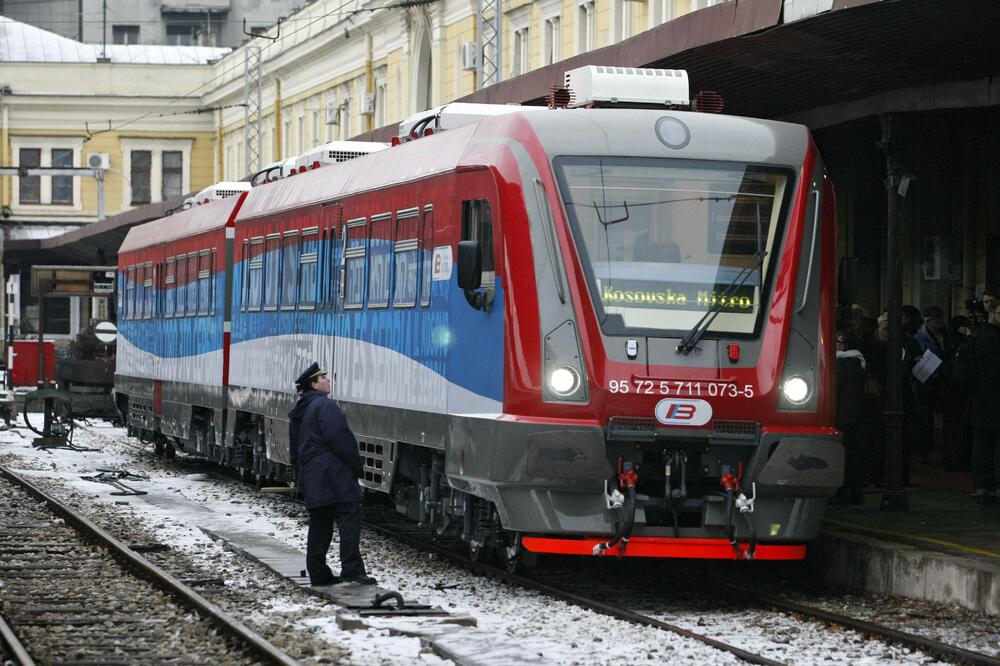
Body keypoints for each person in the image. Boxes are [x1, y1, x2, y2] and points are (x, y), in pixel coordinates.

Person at [288, 362, 376, 585]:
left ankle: (318, 573)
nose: (328, 381)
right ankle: (352, 570)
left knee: (320, 522)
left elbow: (295, 445)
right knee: (349, 516)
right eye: (323, 378)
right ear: (314, 385)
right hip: (334, 474)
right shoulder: (325, 406)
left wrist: (300, 473)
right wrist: (356, 465)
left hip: (314, 474)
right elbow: (340, 438)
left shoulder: (301, 409)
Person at [967, 300, 1000, 503]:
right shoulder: (991, 338)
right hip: (992, 397)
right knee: (990, 442)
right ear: (993, 313)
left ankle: (983, 485)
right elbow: (994, 370)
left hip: (981, 397)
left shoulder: (979, 335)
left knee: (983, 441)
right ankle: (991, 485)